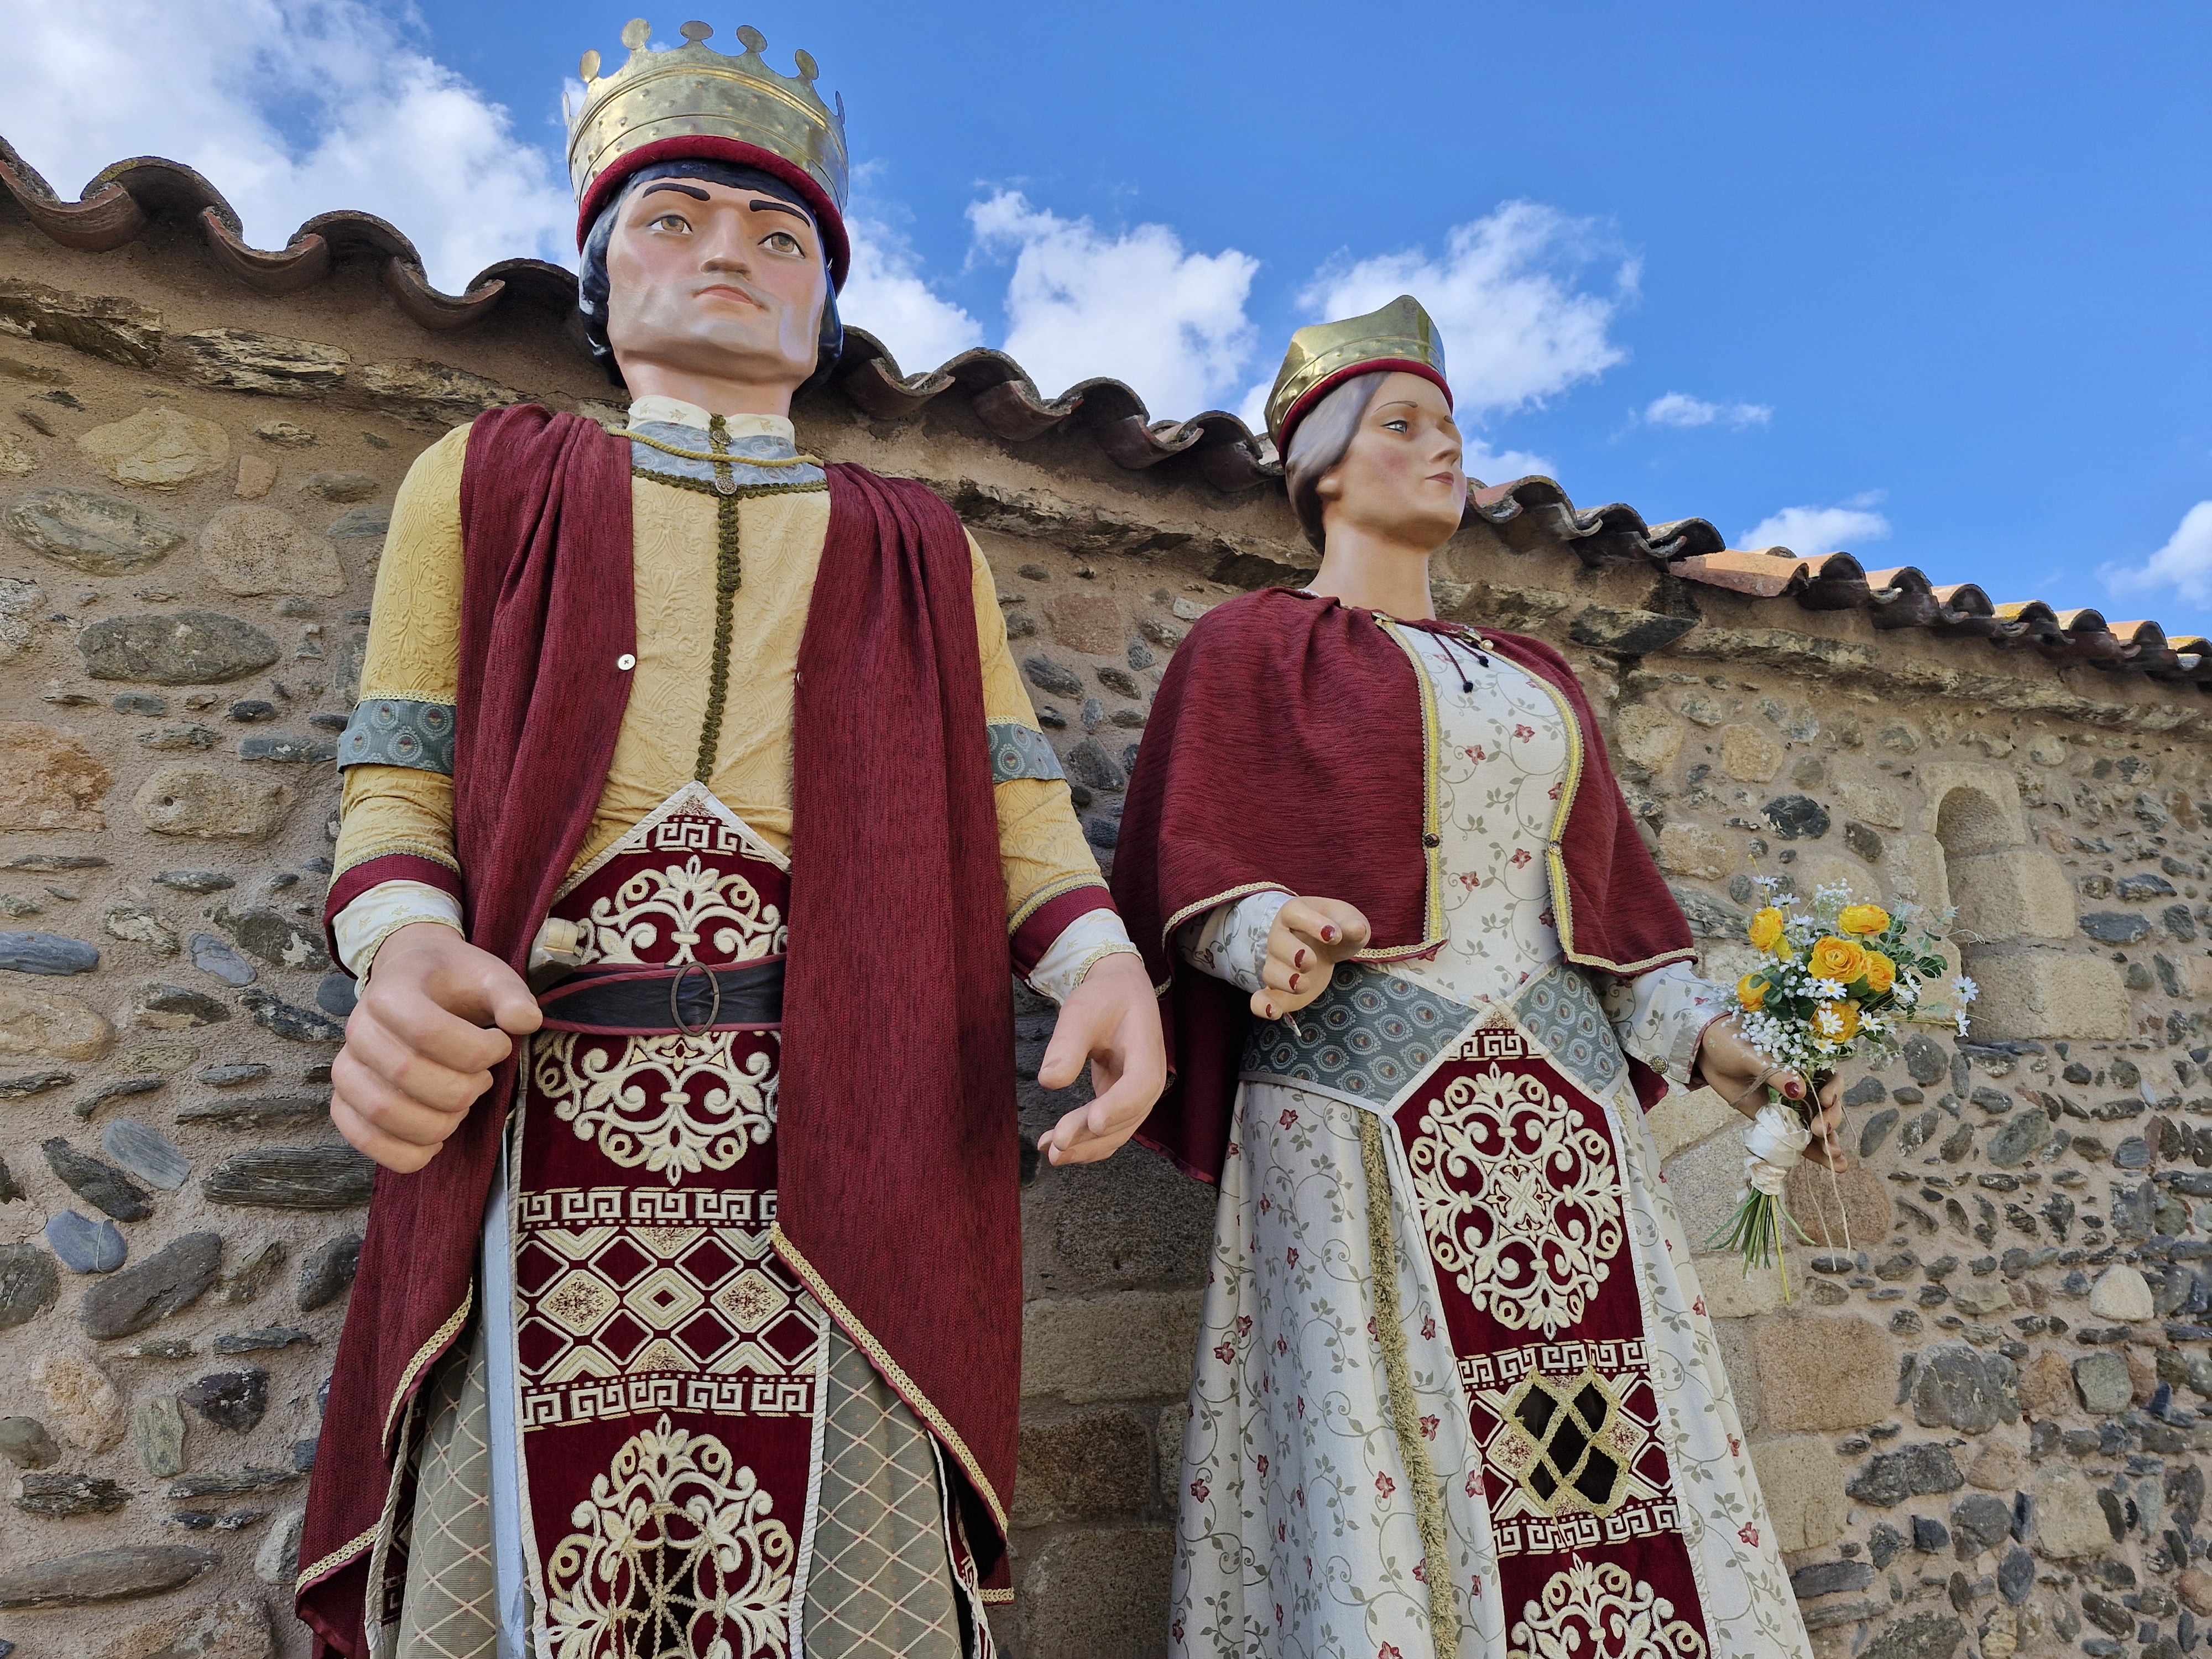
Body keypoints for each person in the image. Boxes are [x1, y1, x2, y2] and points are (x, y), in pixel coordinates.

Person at [296, 22, 1164, 1658]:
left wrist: (1103, 961)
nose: (730, 258)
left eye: (781, 239)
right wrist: (402, 947)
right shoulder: (485, 482)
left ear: (825, 303)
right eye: (673, 219)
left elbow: (1013, 795)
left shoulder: (918, 545)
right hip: (547, 1106)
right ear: (599, 270)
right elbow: (395, 780)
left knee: (847, 1548)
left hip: (848, 1120)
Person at [1112, 296, 1838, 1658]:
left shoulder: (1536, 677)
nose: (1446, 454)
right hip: (1353, 1121)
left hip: (1568, 1132)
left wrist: (1716, 1048)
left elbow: (1611, 913)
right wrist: (1261, 926)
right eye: (1404, 428)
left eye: (1451, 431)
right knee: (1376, 1463)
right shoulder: (1246, 649)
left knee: (1622, 1460)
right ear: (1320, 465)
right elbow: (1178, 861)